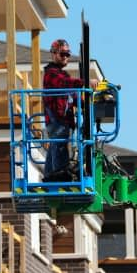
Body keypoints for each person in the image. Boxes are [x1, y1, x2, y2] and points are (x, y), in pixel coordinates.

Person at [42, 39, 97, 181]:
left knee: (56, 145)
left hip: (62, 119)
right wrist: (85, 82)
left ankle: (49, 176)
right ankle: (59, 177)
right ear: (54, 54)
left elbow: (71, 95)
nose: (66, 57)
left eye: (67, 54)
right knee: (59, 146)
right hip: (57, 119)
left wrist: (86, 103)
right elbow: (65, 84)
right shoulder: (51, 73)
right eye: (62, 54)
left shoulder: (61, 74)